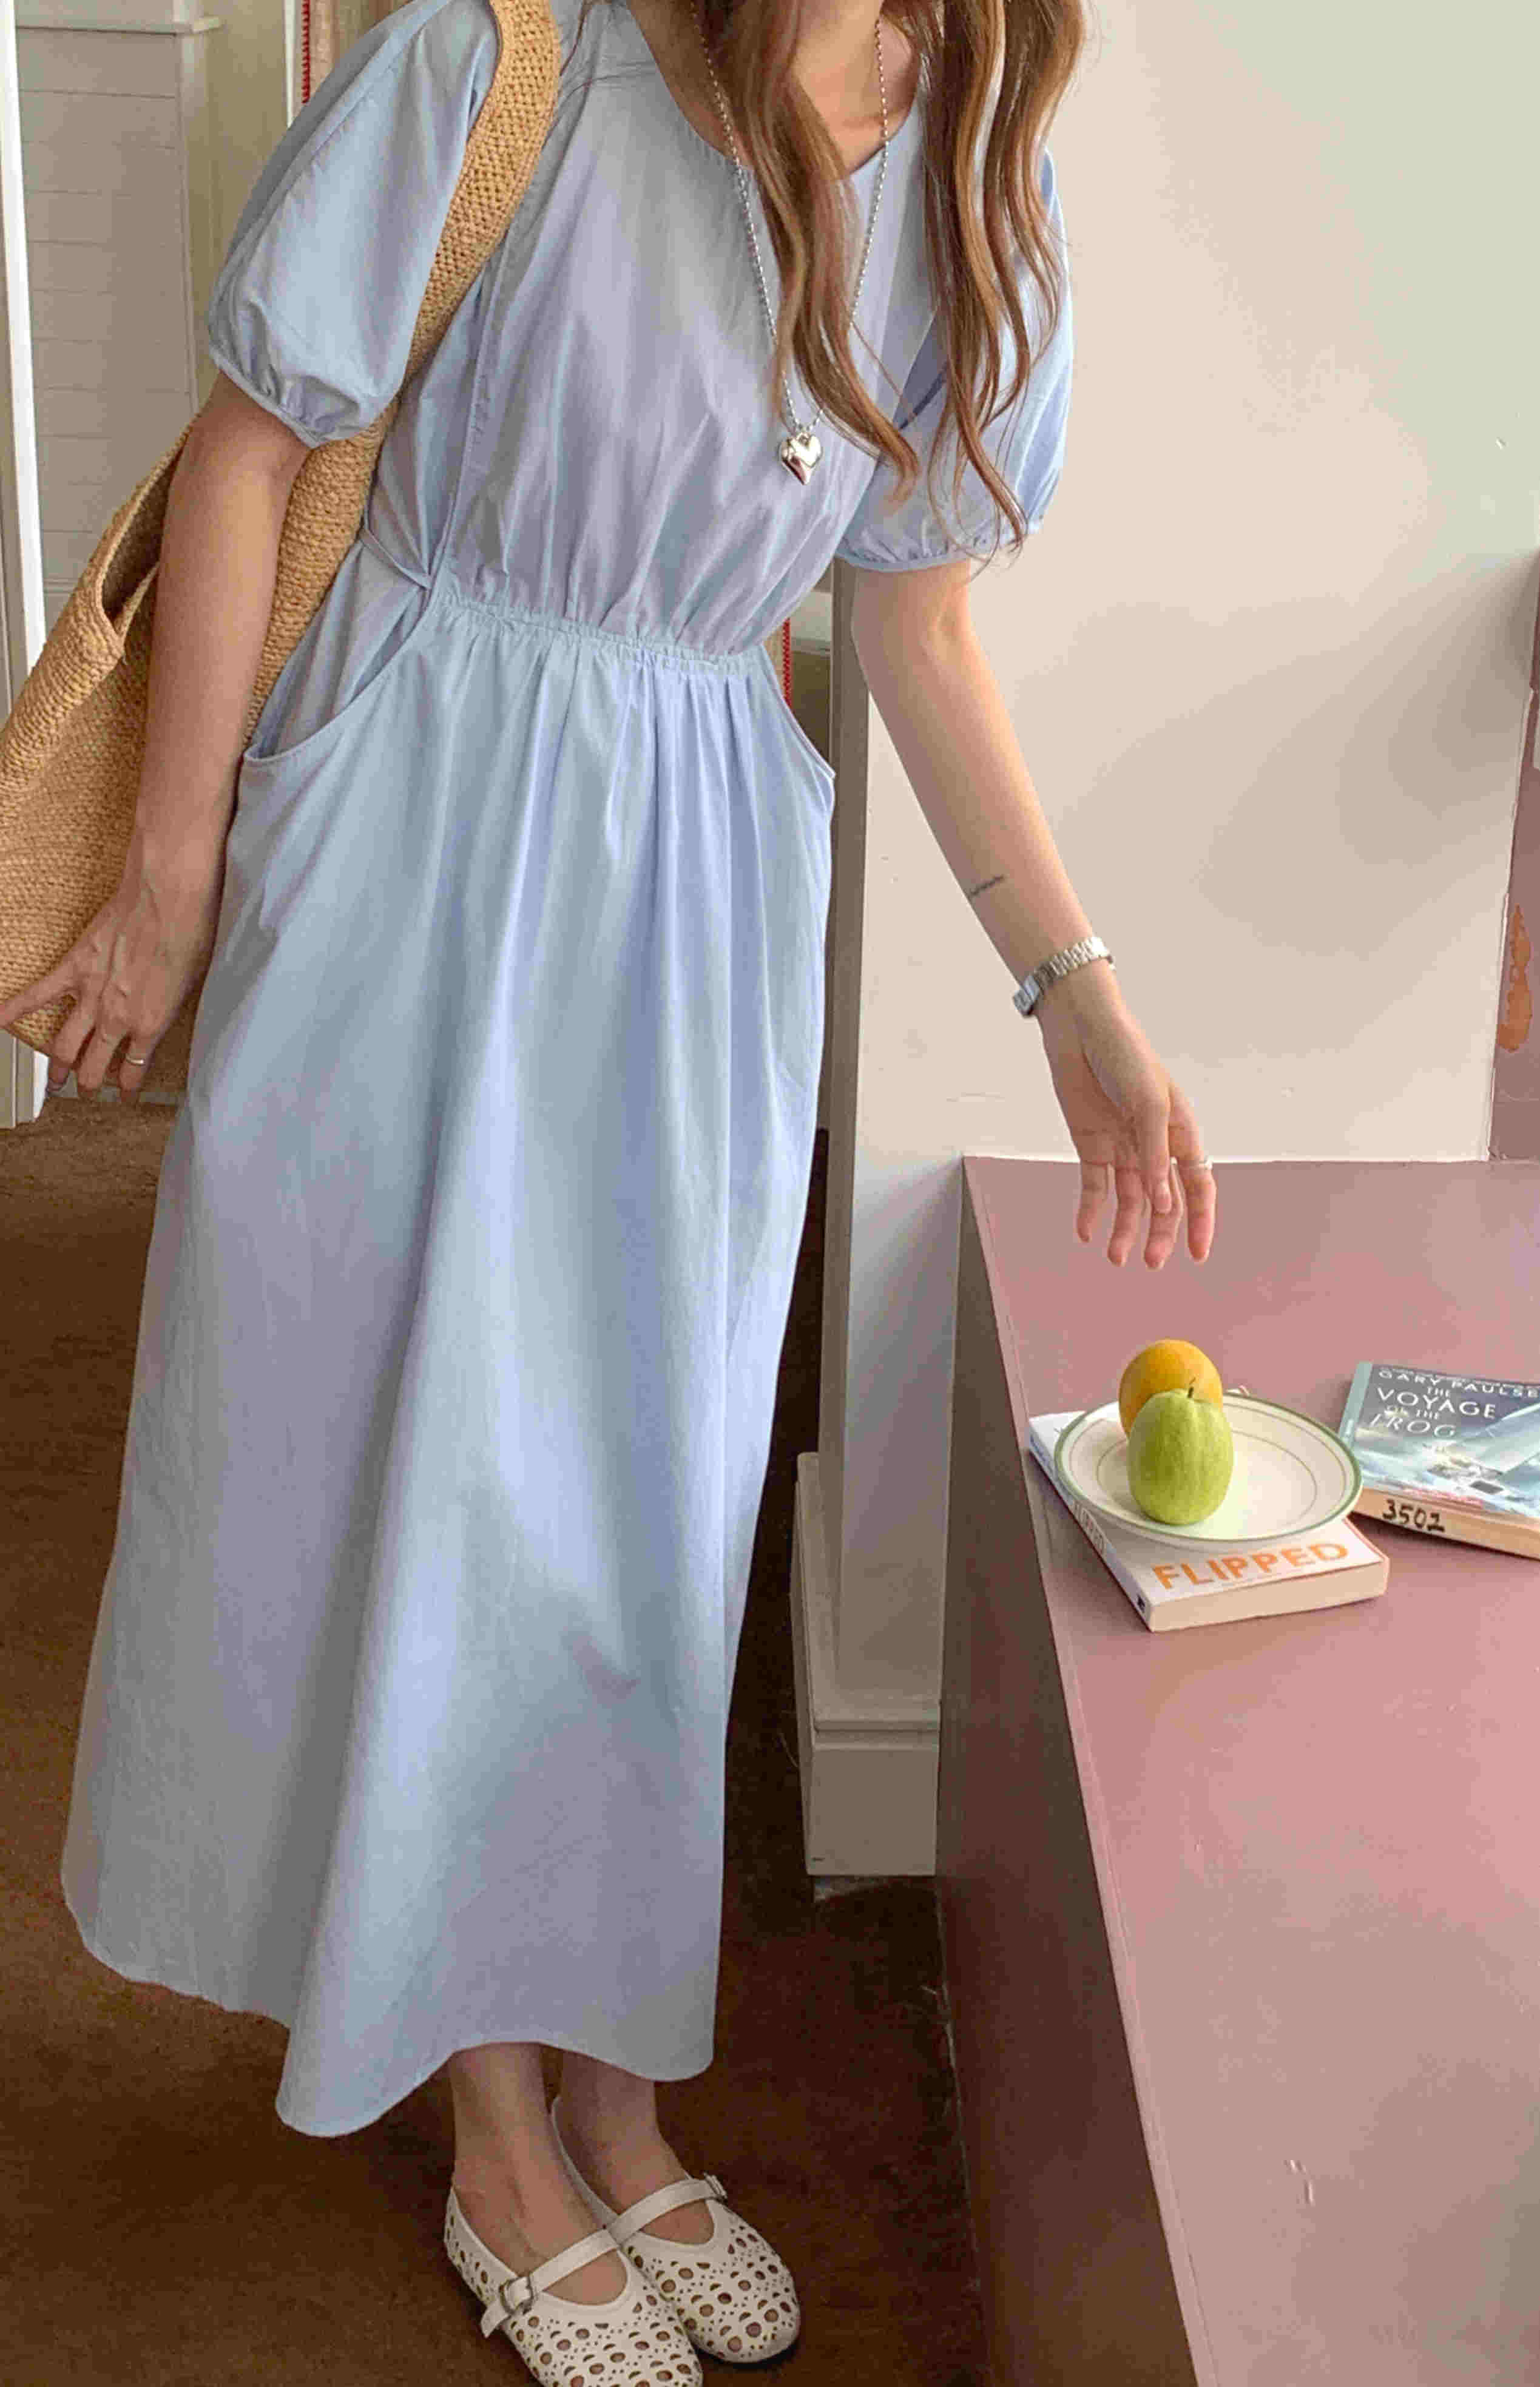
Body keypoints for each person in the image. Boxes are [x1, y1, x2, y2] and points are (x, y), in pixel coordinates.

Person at [3, 0, 1217, 2379]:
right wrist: (169, 882)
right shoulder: (513, 63)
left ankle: (615, 2078)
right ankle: (496, 2129)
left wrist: (1072, 990)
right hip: (423, 821)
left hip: (700, 863)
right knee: (447, 1477)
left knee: (647, 1508)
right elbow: (256, 446)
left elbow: (912, 615)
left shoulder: (983, 165)